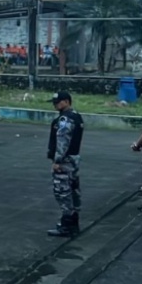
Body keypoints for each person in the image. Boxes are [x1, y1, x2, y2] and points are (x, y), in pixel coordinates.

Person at [46, 92, 84, 238]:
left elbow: (63, 141)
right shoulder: (76, 116)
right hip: (73, 159)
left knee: (63, 192)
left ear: (66, 102)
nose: (55, 105)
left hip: (65, 161)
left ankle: (67, 225)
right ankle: (73, 223)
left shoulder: (65, 119)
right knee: (73, 190)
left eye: (58, 102)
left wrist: (57, 161)